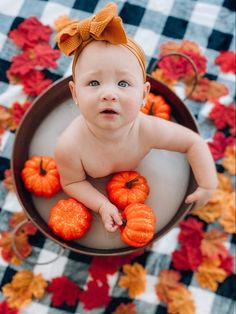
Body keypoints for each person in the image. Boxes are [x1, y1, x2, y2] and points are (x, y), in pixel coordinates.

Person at [55, 3, 218, 232]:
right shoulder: (69, 146)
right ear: (75, 94)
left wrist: (208, 184)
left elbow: (193, 143)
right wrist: (102, 205)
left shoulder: (148, 130)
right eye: (94, 83)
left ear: (143, 95)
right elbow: (72, 182)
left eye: (123, 83)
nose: (109, 94)